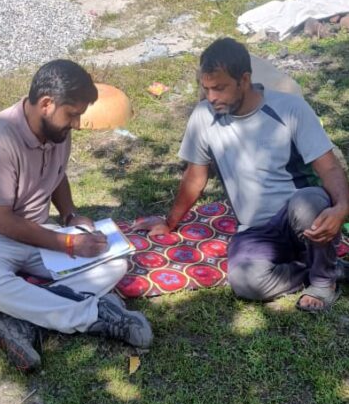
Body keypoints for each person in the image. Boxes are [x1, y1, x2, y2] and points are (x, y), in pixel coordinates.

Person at [0, 60, 152, 370]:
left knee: (115, 261)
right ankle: (95, 316)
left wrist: (70, 215)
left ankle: (22, 321)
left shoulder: (57, 131)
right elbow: (1, 220)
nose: (76, 124)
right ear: (46, 104)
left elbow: (57, 175)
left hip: (37, 232)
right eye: (72, 114)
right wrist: (68, 244)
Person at [140, 37, 349, 313]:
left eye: (220, 88)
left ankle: (323, 282)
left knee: (307, 203)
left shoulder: (290, 109)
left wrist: (342, 208)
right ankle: (324, 267)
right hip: (256, 230)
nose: (211, 97)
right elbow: (194, 177)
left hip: (300, 218)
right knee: (246, 282)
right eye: (206, 88)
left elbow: (329, 167)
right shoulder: (203, 116)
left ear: (245, 80)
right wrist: (169, 222)